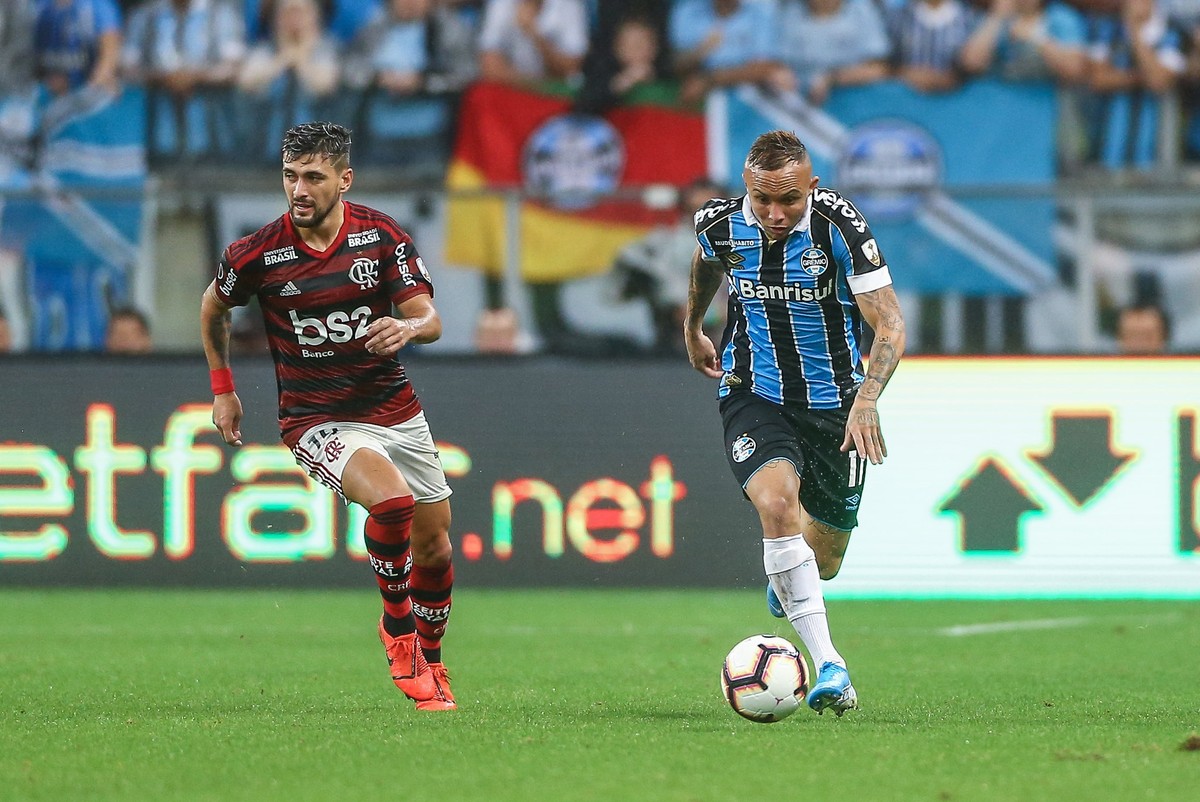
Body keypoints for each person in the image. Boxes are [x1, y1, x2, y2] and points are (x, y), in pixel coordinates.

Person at [199, 121, 457, 711]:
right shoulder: (258, 252)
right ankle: (397, 631)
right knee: (392, 502)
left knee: (436, 546)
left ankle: (433, 662)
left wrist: (408, 326)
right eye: (290, 176)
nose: (299, 189)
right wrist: (223, 388)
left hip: (392, 405)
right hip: (316, 417)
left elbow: (431, 318)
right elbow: (214, 305)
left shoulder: (381, 236)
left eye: (313, 176)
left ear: (345, 179)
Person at [683, 130, 906, 716]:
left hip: (836, 404)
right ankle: (831, 665)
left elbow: (891, 325)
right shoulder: (719, 223)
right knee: (777, 506)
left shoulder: (841, 227)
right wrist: (693, 326)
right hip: (752, 391)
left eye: (789, 200)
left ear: (812, 185)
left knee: (826, 557)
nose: (776, 214)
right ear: (746, 190)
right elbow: (706, 265)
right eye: (763, 200)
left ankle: (793, 577)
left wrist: (867, 400)